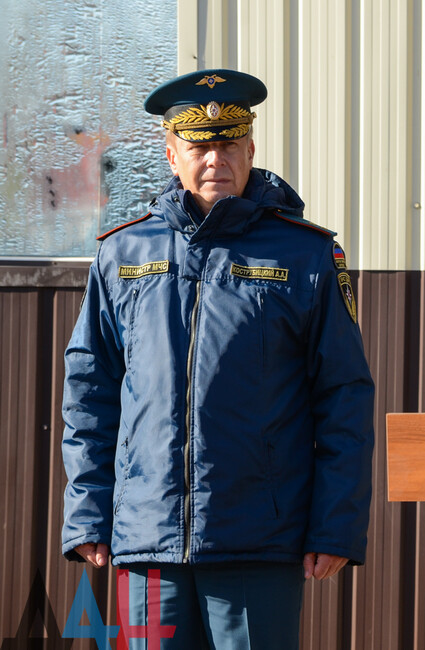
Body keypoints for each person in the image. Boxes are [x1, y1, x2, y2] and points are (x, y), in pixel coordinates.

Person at [61, 68, 375, 649]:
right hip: (147, 542)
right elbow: (90, 392)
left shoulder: (305, 253)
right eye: (199, 146)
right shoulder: (122, 253)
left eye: (230, 144)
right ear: (171, 154)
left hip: (257, 540)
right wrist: (87, 511)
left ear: (251, 150)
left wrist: (335, 524)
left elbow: (344, 397)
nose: (215, 159)